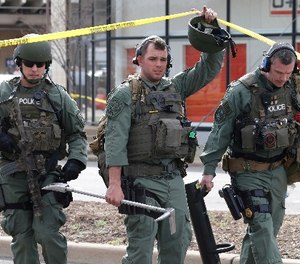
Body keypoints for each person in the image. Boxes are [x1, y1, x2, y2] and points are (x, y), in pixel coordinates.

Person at [103, 5, 226, 264]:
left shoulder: (176, 88)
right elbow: (114, 140)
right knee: (141, 248)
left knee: (177, 243)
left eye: (163, 59)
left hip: (173, 182)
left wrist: (209, 29)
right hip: (140, 182)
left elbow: (208, 68)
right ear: (138, 59)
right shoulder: (126, 94)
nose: (159, 64)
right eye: (152, 59)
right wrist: (115, 184)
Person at [200, 42, 299, 264]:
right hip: (247, 172)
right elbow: (220, 132)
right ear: (265, 64)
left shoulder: (292, 86)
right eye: (278, 72)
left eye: (288, 73)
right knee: (262, 228)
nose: (283, 78)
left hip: (278, 171)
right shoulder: (241, 91)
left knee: (267, 231)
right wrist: (208, 170)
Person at [0, 34, 88, 264]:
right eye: (29, 64)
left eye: (40, 65)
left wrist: (75, 162)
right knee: (21, 235)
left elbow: (77, 134)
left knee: (48, 233)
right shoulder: (4, 94)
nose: (35, 69)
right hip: (12, 174)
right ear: (19, 63)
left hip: (47, 175)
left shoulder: (57, 96)